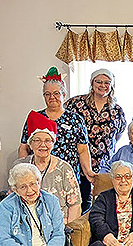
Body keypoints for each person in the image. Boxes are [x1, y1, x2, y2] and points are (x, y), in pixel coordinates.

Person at [19, 67, 95, 202]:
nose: (52, 97)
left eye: (56, 93)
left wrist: (88, 171)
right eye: (47, 94)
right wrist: (22, 171)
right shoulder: (35, 118)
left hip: (67, 176)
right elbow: (24, 147)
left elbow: (83, 150)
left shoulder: (76, 120)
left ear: (64, 95)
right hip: (39, 177)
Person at [66, 69, 126, 209]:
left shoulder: (117, 110)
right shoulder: (76, 103)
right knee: (79, 203)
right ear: (92, 83)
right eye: (98, 81)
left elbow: (119, 134)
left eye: (107, 82)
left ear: (112, 86)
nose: (102, 85)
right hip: (79, 165)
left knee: (103, 205)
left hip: (104, 166)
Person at [14, 118, 82, 223]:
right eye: (37, 140)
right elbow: (13, 200)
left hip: (58, 225)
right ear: (30, 144)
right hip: (26, 224)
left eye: (47, 141)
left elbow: (75, 205)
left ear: (53, 144)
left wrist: (68, 231)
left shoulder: (64, 169)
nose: (43, 145)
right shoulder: (20, 167)